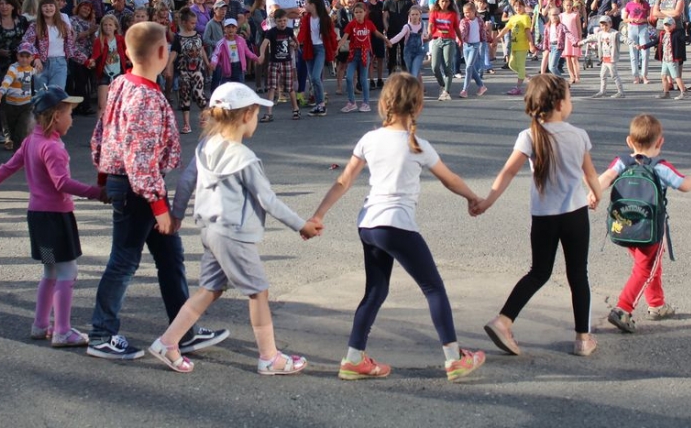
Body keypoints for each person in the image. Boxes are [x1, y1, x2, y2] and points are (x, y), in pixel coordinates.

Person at [309, 73, 486, 381]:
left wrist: (318, 215)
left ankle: (353, 359)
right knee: (433, 288)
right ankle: (454, 358)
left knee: (375, 291)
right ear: (418, 106)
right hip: (396, 225)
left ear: (385, 102)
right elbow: (450, 179)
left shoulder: (370, 139)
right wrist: (473, 197)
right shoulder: (418, 146)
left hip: (369, 225)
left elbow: (343, 181)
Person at [148, 82, 321, 375]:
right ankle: (269, 357)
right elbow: (268, 200)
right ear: (246, 115)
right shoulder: (245, 158)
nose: (256, 121)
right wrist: (301, 225)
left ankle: (168, 342)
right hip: (234, 235)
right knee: (258, 292)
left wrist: (176, 215)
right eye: (256, 115)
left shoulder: (206, 146)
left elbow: (187, 181)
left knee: (210, 289)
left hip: (211, 231)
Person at [87, 21, 228, 360]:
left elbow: (103, 133)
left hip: (131, 183)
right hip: (140, 188)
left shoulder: (121, 83)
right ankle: (101, 334)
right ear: (163, 52)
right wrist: (159, 206)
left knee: (170, 258)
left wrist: (104, 177)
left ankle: (184, 330)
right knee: (124, 260)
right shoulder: (146, 97)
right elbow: (140, 156)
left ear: (127, 51)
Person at [474, 74, 601, 357]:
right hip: (575, 214)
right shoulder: (578, 135)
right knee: (578, 274)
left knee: (539, 272)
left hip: (544, 217)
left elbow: (507, 172)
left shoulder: (529, 136)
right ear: (559, 104)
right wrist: (597, 194)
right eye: (569, 97)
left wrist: (487, 201)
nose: (570, 102)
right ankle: (583, 338)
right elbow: (590, 174)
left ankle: (503, 321)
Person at [0, 86, 105, 347]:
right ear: (56, 116)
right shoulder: (52, 147)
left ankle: (40, 324)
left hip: (38, 218)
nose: (72, 119)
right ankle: (62, 331)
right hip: (56, 219)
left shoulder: (31, 141)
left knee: (50, 270)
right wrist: (97, 193)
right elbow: (62, 183)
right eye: (69, 113)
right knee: (68, 270)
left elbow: (8, 167)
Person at [599, 115, 691, 334]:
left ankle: (657, 304)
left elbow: (605, 178)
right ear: (660, 142)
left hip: (624, 225)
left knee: (649, 266)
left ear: (629, 141)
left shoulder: (622, 162)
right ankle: (623, 308)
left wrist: (592, 195)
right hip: (650, 229)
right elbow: (684, 185)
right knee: (645, 269)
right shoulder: (660, 166)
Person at [22, 0, 85, 92]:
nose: (48, 8)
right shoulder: (35, 26)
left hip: (59, 64)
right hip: (41, 65)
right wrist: (36, 57)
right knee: (41, 95)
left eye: (51, 5)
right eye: (45, 6)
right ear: (40, 9)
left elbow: (71, 47)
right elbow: (25, 44)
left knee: (56, 95)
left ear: (55, 8)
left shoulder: (63, 26)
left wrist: (86, 61)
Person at [339, 3, 388, 113]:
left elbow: (377, 33)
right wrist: (337, 47)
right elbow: (344, 37)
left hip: (365, 53)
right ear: (353, 13)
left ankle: (366, 103)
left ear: (365, 12)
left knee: (363, 79)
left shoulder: (369, 24)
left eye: (361, 12)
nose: (358, 14)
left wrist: (386, 40)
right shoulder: (351, 24)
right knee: (349, 77)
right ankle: (351, 102)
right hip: (353, 53)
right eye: (356, 12)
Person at [167, 8, 207, 135]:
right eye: (192, 23)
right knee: (184, 96)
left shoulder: (198, 35)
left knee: (199, 95)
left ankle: (204, 117)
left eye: (195, 23)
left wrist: (207, 63)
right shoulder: (178, 38)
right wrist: (168, 65)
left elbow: (201, 50)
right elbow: (174, 53)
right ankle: (186, 124)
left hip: (198, 70)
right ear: (184, 23)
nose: (194, 25)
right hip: (184, 71)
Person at [298, 0, 337, 117]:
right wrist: (297, 41)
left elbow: (331, 35)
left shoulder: (325, 19)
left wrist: (334, 48)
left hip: (320, 49)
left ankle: (321, 104)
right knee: (312, 79)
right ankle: (318, 104)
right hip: (309, 49)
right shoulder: (306, 18)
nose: (304, 5)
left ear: (313, 5)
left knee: (315, 77)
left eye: (306, 3)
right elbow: (302, 32)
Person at [0, 43, 37, 150]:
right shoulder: (14, 68)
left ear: (32, 57)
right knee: (13, 131)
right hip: (11, 106)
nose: (24, 59)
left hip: (26, 105)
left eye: (27, 56)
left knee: (21, 131)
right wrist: (0, 93)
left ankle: (20, 153)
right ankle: (15, 146)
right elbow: (7, 81)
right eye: (21, 56)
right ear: (17, 56)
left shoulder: (31, 69)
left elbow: (37, 73)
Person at [257, 10, 298, 119]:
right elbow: (264, 44)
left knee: (290, 87)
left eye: (284, 21)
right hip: (274, 62)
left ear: (287, 20)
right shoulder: (271, 32)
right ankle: (269, 113)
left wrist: (295, 45)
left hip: (286, 62)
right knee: (271, 87)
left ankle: (295, 109)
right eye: (279, 21)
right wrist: (262, 54)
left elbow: (296, 41)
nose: (282, 23)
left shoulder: (289, 31)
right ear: (275, 21)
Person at [646, 18, 688, 100]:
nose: (667, 27)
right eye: (665, 25)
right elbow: (655, 42)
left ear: (674, 25)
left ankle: (683, 92)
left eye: (669, 25)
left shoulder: (677, 34)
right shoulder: (663, 34)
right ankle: (666, 93)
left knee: (676, 76)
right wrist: (644, 46)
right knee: (663, 76)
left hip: (672, 59)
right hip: (665, 59)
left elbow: (686, 38)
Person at [428, 0, 460, 101]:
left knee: (447, 66)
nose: (444, 3)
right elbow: (431, 24)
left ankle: (446, 91)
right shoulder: (434, 12)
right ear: (438, 2)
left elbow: (456, 28)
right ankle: (442, 84)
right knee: (435, 67)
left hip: (449, 41)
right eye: (442, 1)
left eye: (446, 1)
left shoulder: (453, 14)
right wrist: (429, 33)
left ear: (450, 2)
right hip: (437, 40)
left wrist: (460, 40)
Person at [585, 15, 626, 99]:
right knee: (602, 75)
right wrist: (582, 42)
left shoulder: (614, 33)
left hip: (611, 58)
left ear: (610, 24)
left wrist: (634, 44)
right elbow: (592, 38)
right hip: (605, 58)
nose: (604, 27)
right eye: (602, 25)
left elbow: (624, 39)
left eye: (606, 25)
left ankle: (621, 92)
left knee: (614, 75)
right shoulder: (600, 34)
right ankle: (602, 91)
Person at [502, 0, 533, 96]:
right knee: (511, 65)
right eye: (515, 6)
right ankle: (528, 77)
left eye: (520, 6)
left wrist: (531, 44)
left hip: (522, 46)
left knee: (520, 65)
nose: (517, 8)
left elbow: (528, 31)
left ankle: (518, 88)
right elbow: (506, 29)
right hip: (514, 46)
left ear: (524, 7)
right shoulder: (513, 18)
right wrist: (497, 38)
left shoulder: (526, 17)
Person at [458, 2, 489, 98]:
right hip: (466, 45)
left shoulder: (479, 20)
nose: (466, 14)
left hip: (475, 46)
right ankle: (481, 86)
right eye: (464, 12)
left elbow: (483, 31)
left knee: (468, 67)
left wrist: (486, 39)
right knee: (471, 67)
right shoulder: (463, 21)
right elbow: (461, 32)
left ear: (474, 11)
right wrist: (459, 40)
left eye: (468, 12)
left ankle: (465, 90)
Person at [623, 0, 652, 85]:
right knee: (633, 53)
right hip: (632, 28)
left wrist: (644, 20)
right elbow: (624, 18)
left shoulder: (645, 4)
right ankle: (636, 76)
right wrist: (631, 19)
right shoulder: (629, 5)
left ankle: (644, 75)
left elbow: (650, 17)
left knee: (645, 52)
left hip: (643, 27)